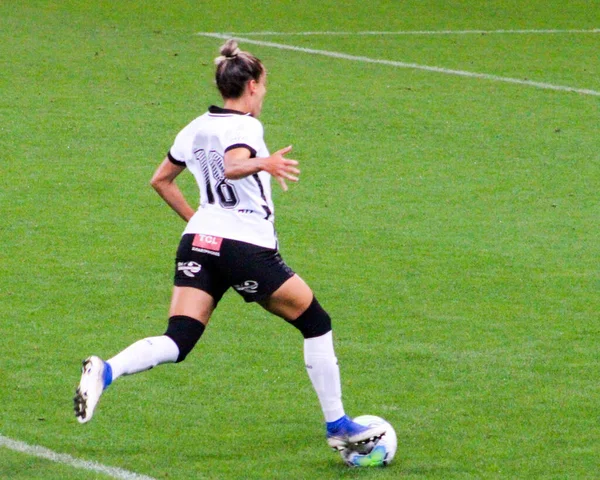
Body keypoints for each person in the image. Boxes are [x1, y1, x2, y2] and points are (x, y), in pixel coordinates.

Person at [74, 39, 386, 451]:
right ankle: (338, 426)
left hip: (199, 242)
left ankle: (106, 371)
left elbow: (160, 180)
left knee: (179, 338)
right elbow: (233, 165)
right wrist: (264, 162)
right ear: (252, 85)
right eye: (265, 85)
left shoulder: (195, 126)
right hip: (245, 247)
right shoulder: (245, 126)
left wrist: (203, 226)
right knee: (315, 322)